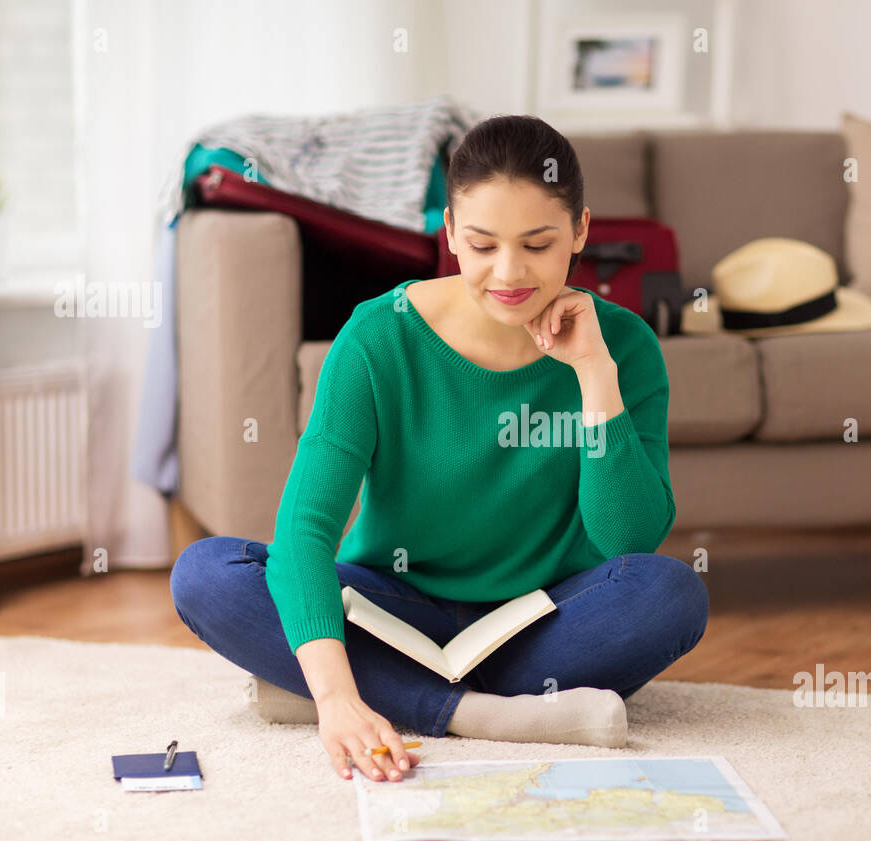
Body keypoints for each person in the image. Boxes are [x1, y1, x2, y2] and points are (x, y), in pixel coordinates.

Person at [169, 113, 709, 786]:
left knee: (672, 594)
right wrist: (337, 702)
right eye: (481, 245)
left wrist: (595, 375)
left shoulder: (623, 346)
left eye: (538, 245)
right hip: (392, 607)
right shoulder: (377, 338)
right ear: (449, 233)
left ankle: (387, 693)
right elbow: (305, 533)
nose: (508, 273)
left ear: (580, 232)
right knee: (206, 573)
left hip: (539, 620)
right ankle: (479, 712)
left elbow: (628, 539)